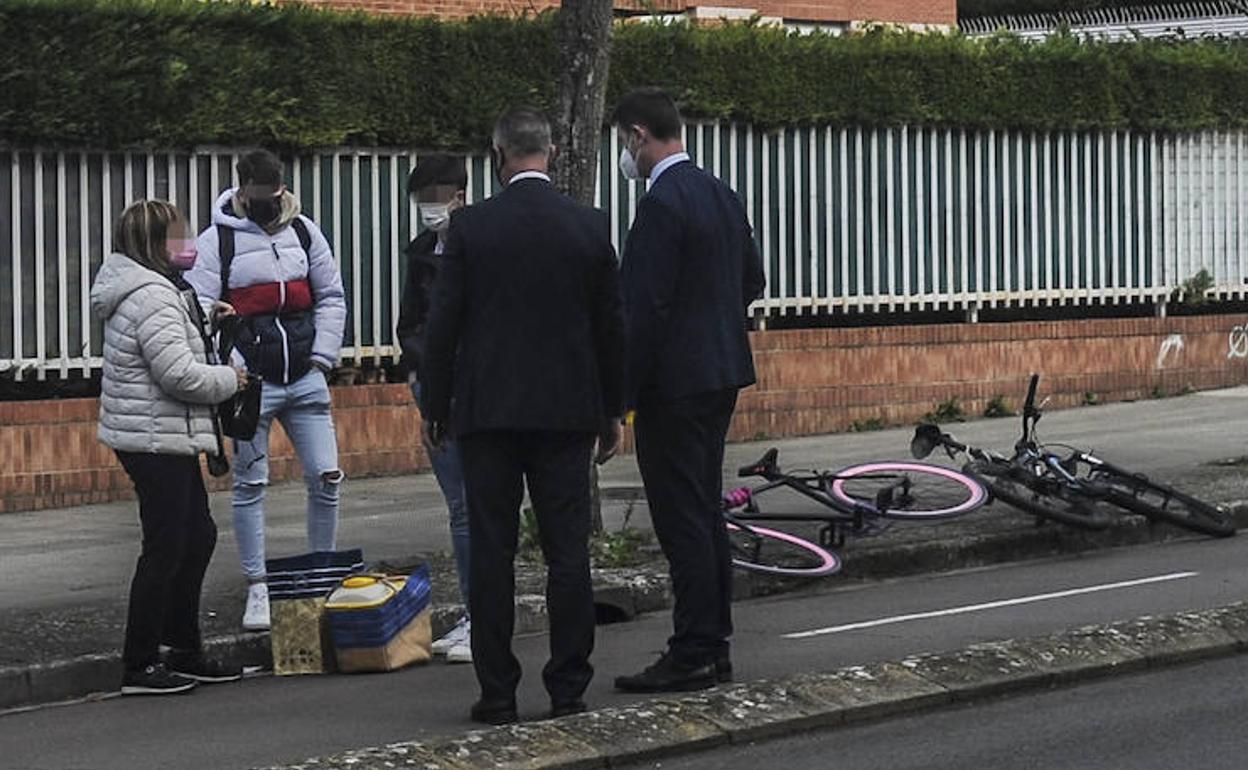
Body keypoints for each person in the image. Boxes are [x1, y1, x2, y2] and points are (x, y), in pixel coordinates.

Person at [421, 106, 626, 725]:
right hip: (566, 412)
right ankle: (568, 685)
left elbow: (444, 323)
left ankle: (497, 691)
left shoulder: (473, 228)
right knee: (568, 553)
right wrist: (613, 409)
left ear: (497, 154)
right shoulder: (590, 226)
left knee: (492, 551)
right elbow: (610, 328)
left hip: (489, 413)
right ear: (553, 152)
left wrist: (436, 404)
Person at [610, 88, 766, 694]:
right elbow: (752, 277)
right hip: (721, 373)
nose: (625, 152)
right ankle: (712, 641)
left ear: (638, 136)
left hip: (672, 385)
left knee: (681, 518)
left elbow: (640, 310)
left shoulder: (660, 205)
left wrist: (620, 398)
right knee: (703, 511)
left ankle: (695, 648)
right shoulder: (719, 193)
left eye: (624, 140)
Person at [186, 150, 348, 631]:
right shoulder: (218, 241)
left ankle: (323, 574)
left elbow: (331, 295)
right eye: (259, 198)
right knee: (250, 484)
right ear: (242, 192)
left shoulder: (304, 231)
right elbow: (198, 305)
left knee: (327, 476)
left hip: (304, 374)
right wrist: (229, 362)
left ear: (282, 190)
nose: (268, 206)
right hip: (250, 381)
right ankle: (258, 587)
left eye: (274, 197)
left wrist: (321, 358)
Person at [92, 199, 250, 695]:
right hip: (153, 436)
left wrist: (205, 313)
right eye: (178, 237)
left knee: (195, 536)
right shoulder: (152, 296)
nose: (189, 245)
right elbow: (178, 373)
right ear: (154, 245)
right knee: (167, 546)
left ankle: (183, 648)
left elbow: (170, 335)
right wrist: (233, 379)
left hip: (158, 433)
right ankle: (140, 663)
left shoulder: (158, 291)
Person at [396, 154, 472, 664]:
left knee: (473, 507)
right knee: (459, 507)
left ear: (459, 196)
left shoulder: (479, 245)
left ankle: (484, 613)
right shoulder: (423, 251)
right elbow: (411, 320)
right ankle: (474, 610)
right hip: (434, 387)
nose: (428, 209)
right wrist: (417, 372)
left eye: (435, 198)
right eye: (421, 201)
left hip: (475, 385)